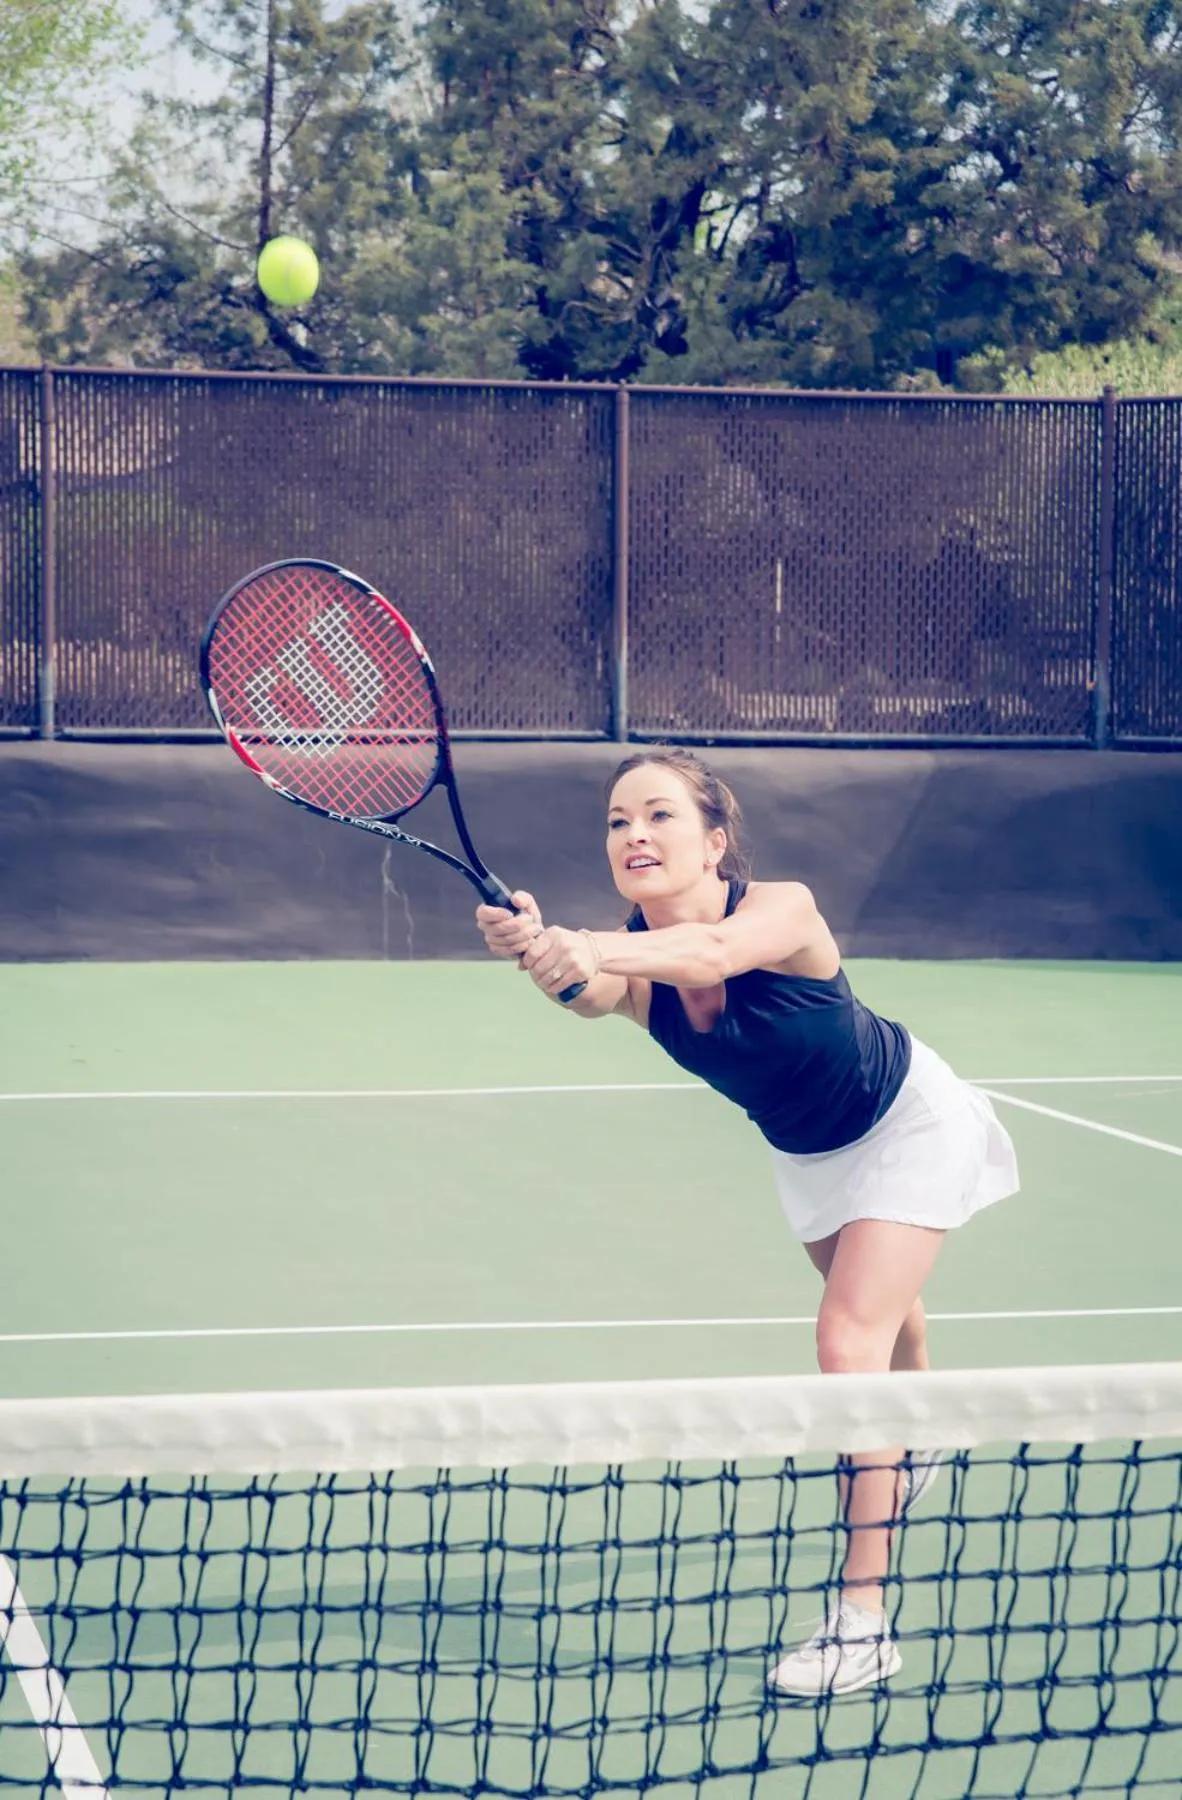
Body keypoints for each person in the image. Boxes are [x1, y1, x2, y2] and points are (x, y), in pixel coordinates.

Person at [475, 746, 1019, 1698]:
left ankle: (862, 1623)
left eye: (658, 816)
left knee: (850, 1342)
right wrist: (540, 952)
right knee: (891, 1320)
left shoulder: (782, 909)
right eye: (615, 822)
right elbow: (589, 993)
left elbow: (712, 955)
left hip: (907, 1118)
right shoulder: (633, 967)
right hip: (808, 1152)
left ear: (716, 842)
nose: (633, 834)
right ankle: (922, 1423)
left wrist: (591, 942)